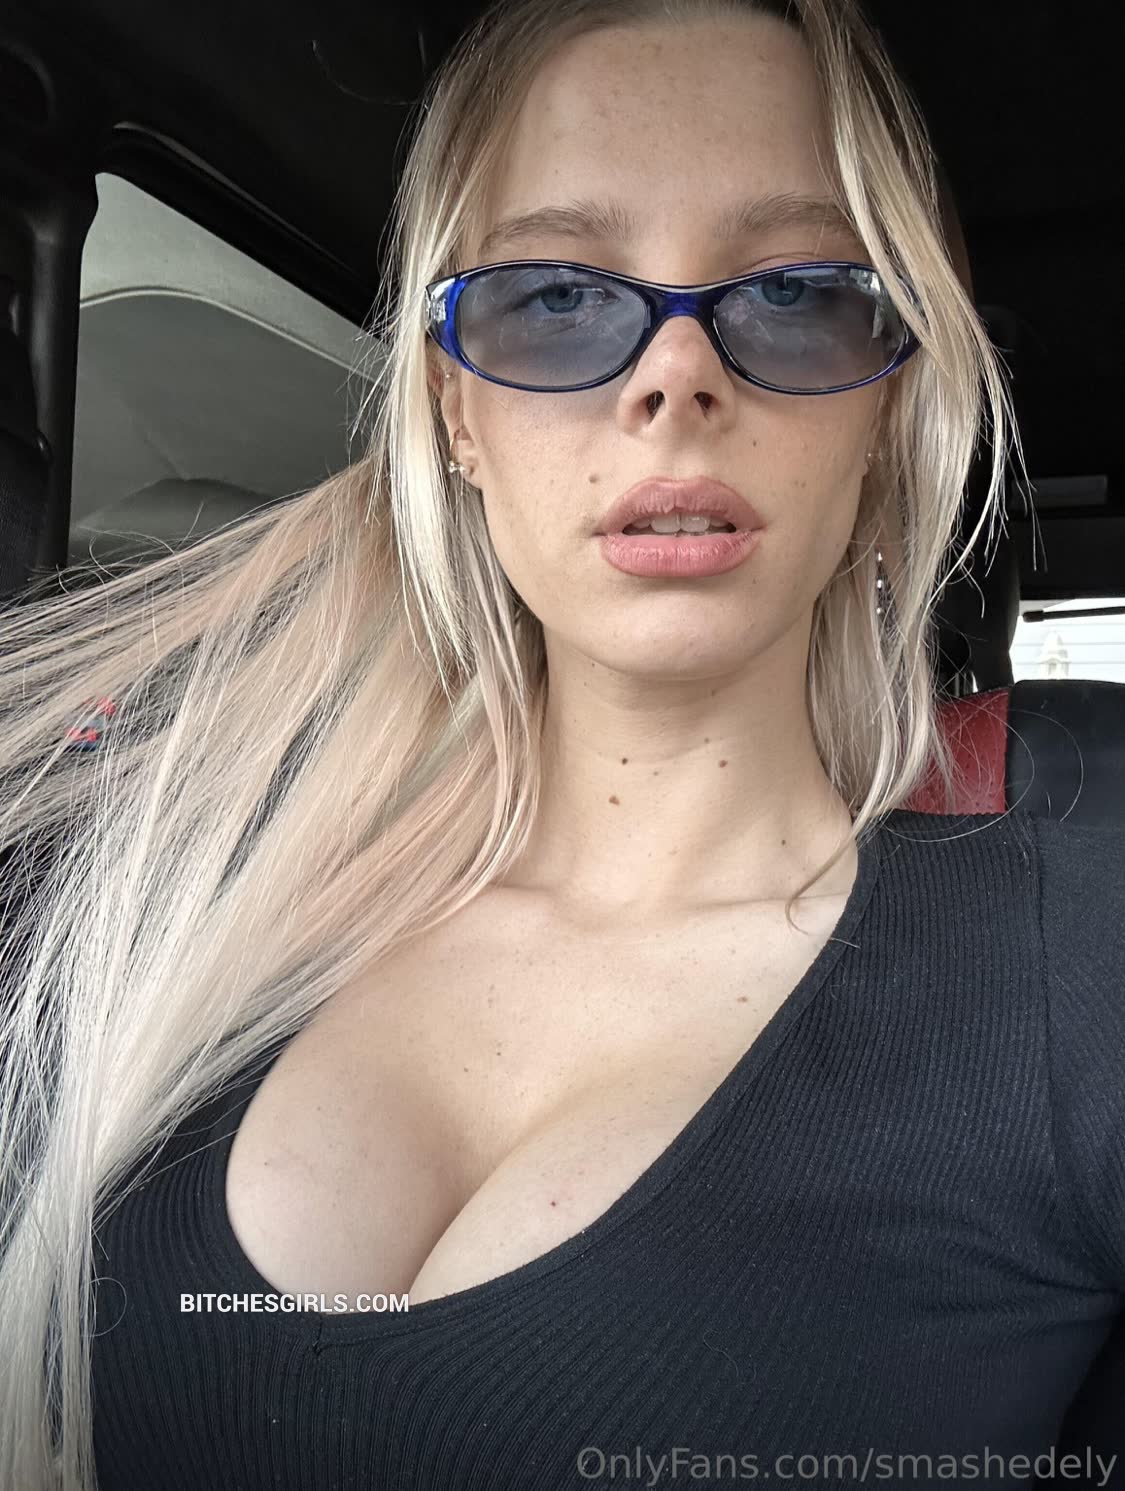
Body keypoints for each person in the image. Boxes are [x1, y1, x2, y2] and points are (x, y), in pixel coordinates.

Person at [0, 0, 1121, 1487]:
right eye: (556, 297)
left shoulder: (1076, 972)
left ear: (885, 408)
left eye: (797, 292)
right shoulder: (160, 904)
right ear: (456, 410)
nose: (675, 380)